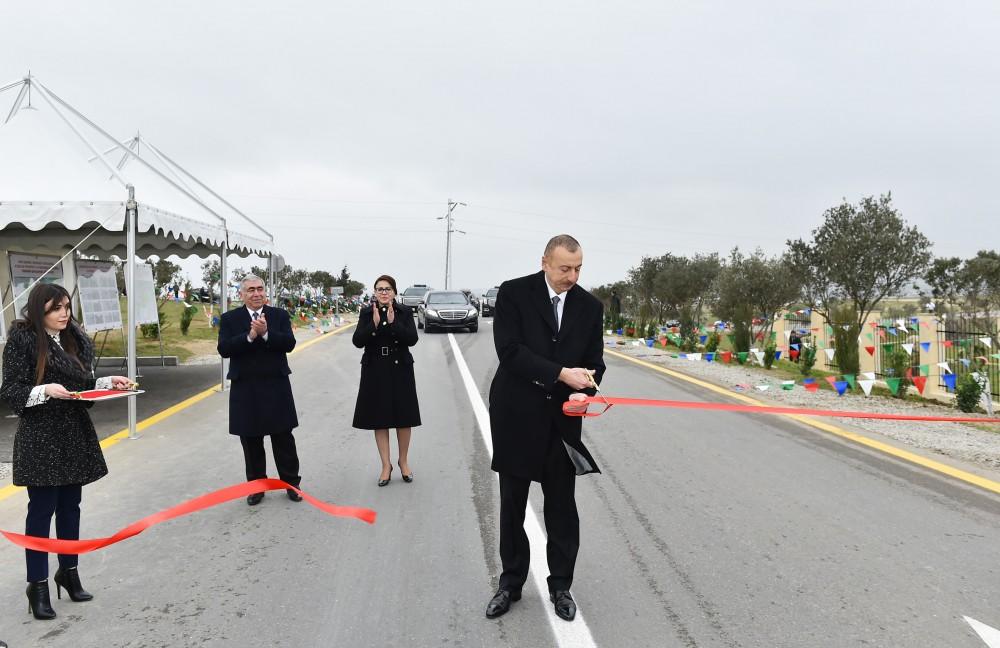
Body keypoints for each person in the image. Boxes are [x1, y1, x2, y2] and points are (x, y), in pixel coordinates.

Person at [485, 234, 605, 622]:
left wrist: (588, 381)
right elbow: (511, 351)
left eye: (578, 268)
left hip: (562, 421)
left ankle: (561, 587)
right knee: (512, 506)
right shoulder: (514, 294)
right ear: (545, 262)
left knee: (562, 509)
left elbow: (595, 361)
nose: (572, 276)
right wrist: (559, 374)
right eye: (565, 268)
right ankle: (510, 584)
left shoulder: (590, 306)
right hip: (516, 415)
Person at [0, 283, 131, 620]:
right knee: (41, 511)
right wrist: (45, 390)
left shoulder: (73, 337)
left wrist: (106, 383)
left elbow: (81, 385)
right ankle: (38, 585)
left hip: (72, 433)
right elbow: (11, 391)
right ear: (39, 309)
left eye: (67, 307)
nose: (64, 313)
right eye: (55, 308)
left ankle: (69, 572)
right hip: (40, 436)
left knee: (71, 507)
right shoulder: (22, 339)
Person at [218, 274, 302, 506]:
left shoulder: (279, 315)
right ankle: (256, 486)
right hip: (246, 387)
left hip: (276, 385)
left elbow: (289, 343)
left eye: (260, 289)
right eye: (251, 290)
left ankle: (292, 484)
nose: (256, 294)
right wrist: (250, 336)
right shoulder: (229, 319)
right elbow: (224, 349)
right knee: (251, 439)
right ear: (242, 295)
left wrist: (265, 333)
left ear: (266, 292)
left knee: (283, 438)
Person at [352, 275, 420, 486]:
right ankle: (385, 465)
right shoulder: (366, 312)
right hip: (375, 369)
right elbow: (357, 341)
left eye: (387, 289)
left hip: (400, 368)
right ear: (374, 292)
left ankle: (403, 461)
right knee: (379, 418)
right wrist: (372, 326)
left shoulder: (405, 312)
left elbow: (412, 339)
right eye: (380, 289)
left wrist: (393, 324)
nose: (383, 292)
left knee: (403, 417)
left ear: (394, 292)